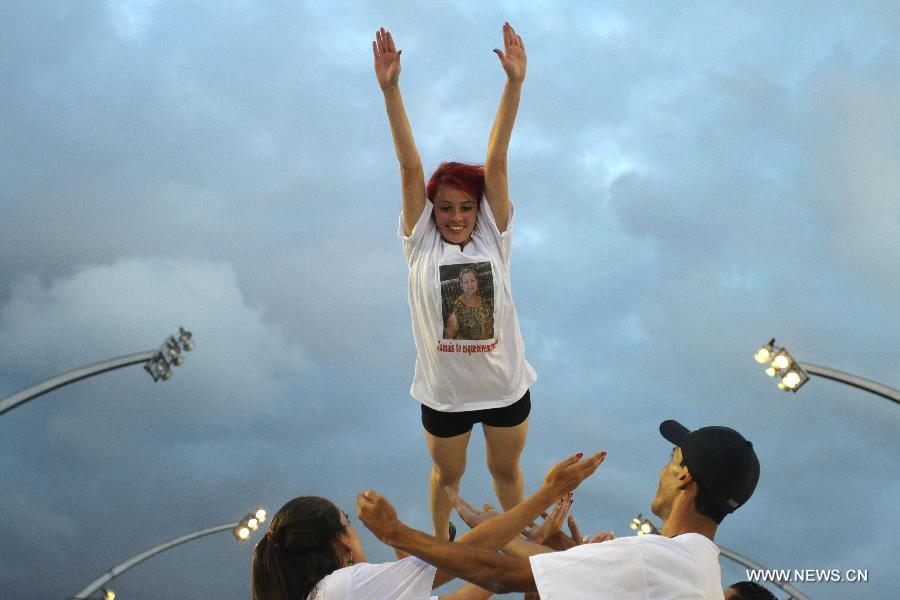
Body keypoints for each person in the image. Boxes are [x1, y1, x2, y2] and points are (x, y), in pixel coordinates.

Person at [373, 22, 536, 541]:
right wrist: (391, 90)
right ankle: (442, 542)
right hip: (445, 394)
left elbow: (498, 160)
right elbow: (407, 166)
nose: (456, 216)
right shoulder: (421, 242)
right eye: (445, 207)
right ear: (431, 211)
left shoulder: (494, 236)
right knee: (449, 473)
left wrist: (514, 86)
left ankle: (523, 543)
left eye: (465, 206)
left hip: (503, 385)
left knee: (505, 473)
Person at [359, 420, 760, 599]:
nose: (662, 469)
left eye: (671, 458)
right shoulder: (702, 571)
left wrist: (395, 532)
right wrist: (562, 562)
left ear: (683, 477)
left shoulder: (653, 557)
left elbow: (499, 576)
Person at [251, 451, 606, 599]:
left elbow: (472, 573)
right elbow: (468, 554)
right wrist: (549, 492)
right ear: (340, 542)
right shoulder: (345, 587)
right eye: (349, 522)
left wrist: (525, 542)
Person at [443, 268, 493, 340]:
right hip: (467, 350)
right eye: (466, 282)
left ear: (477, 282)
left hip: (486, 349)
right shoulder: (457, 307)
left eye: (472, 281)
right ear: (461, 285)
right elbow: (449, 336)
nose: (470, 285)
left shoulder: (483, 301)